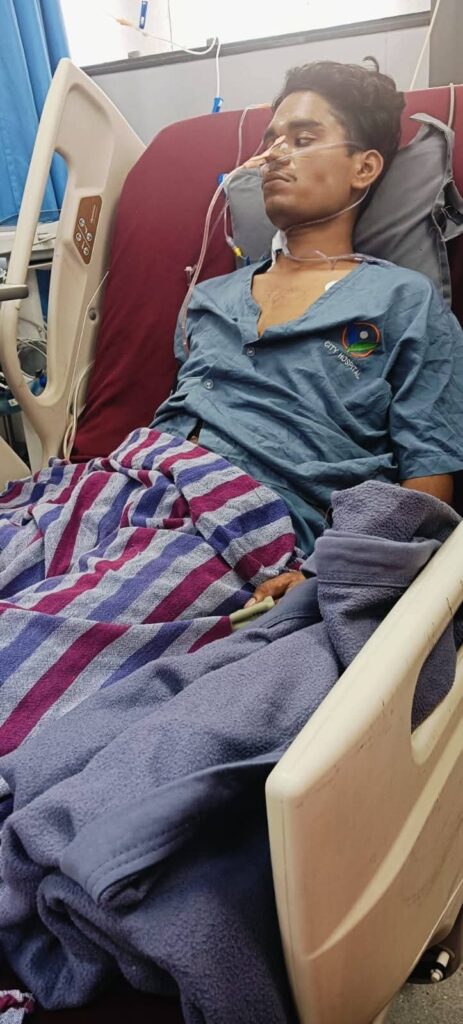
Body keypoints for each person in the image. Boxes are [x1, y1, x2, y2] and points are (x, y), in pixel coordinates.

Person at [153, 61, 463, 604]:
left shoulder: (404, 300)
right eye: (271, 140)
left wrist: (327, 571)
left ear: (364, 167)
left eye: (302, 139)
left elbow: (428, 482)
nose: (275, 155)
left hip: (259, 541)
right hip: (141, 491)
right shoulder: (210, 298)